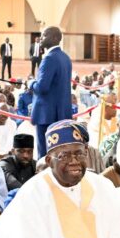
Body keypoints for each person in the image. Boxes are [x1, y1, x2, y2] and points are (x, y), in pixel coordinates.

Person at [29, 26, 73, 158]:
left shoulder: (49, 58)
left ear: (55, 38)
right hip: (61, 114)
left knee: (45, 155)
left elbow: (42, 88)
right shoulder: (65, 57)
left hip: (46, 115)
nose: (41, 38)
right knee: (58, 154)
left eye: (44, 35)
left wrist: (30, 83)